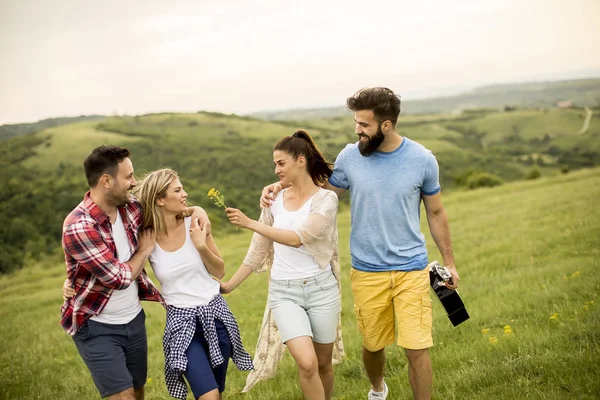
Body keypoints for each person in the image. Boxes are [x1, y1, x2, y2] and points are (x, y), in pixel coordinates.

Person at [261, 88, 460, 400]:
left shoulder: (422, 159)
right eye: (356, 123)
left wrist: (449, 262)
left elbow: (435, 212)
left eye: (364, 125)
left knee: (416, 348)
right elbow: (319, 195)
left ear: (386, 125)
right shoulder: (350, 157)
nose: (357, 130)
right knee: (373, 345)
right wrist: (280, 185)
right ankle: (378, 388)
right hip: (367, 271)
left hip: (412, 268)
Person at [60, 146, 209, 400]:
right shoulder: (79, 226)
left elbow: (167, 208)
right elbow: (118, 278)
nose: (134, 183)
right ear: (106, 181)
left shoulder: (131, 208)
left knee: (138, 390)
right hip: (96, 325)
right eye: (128, 177)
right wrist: (145, 250)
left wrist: (197, 210)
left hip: (133, 320)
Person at [220, 129, 345, 400]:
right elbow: (258, 249)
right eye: (274, 164)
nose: (275, 170)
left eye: (280, 163)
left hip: (322, 289)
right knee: (307, 363)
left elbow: (298, 239)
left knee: (323, 364)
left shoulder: (326, 200)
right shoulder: (273, 200)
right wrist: (230, 284)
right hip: (284, 293)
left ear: (301, 161)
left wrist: (249, 222)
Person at [134, 168, 253, 400]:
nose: (185, 194)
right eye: (177, 190)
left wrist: (201, 245)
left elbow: (219, 270)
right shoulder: (146, 237)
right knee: (208, 395)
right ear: (159, 199)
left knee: (216, 392)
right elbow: (120, 262)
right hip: (181, 323)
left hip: (216, 316)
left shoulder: (195, 222)